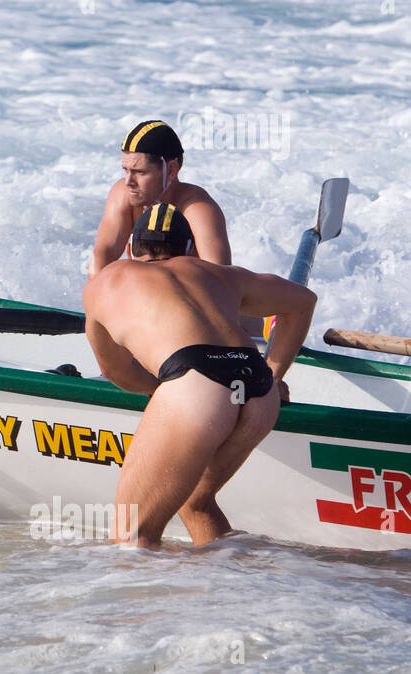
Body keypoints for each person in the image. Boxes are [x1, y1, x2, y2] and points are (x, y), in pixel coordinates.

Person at [82, 202, 316, 549]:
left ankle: (156, 605)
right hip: (258, 387)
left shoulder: (107, 280)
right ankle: (232, 596)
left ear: (131, 248)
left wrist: (165, 393)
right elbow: (302, 301)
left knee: (132, 535)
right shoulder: (219, 273)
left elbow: (116, 371)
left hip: (197, 384)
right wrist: (275, 373)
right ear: (189, 248)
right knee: (195, 502)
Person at [89, 120, 231, 278]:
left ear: (171, 170)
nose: (128, 181)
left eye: (140, 172)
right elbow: (100, 259)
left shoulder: (197, 208)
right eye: (126, 170)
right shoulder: (124, 195)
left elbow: (221, 279)